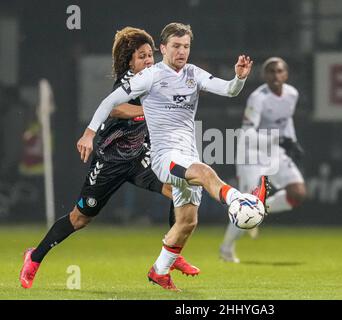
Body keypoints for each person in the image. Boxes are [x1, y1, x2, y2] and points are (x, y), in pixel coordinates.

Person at [76, 22, 268, 291]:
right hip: (165, 157)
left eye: (186, 46)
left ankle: (159, 271)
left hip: (188, 152)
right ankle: (238, 202)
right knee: (203, 172)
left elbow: (229, 90)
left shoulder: (192, 73)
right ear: (163, 48)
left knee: (188, 221)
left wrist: (239, 77)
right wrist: (89, 133)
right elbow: (109, 102)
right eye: (176, 46)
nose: (182, 51)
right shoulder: (150, 76)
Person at [19, 27, 199, 289]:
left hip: (139, 158)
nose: (148, 60)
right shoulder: (128, 82)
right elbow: (115, 107)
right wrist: (152, 109)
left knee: (179, 189)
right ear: (130, 62)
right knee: (80, 219)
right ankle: (33, 258)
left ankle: (171, 256)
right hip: (111, 162)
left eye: (150, 55)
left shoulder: (156, 77)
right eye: (141, 56)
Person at [220, 57, 307, 263]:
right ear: (263, 75)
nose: (275, 76)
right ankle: (226, 249)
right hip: (251, 152)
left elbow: (286, 122)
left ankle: (258, 210)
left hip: (275, 150)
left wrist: (292, 142)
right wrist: (280, 139)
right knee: (247, 204)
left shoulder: (292, 94)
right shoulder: (258, 98)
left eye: (279, 71)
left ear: (286, 74)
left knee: (298, 193)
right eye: (270, 72)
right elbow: (246, 134)